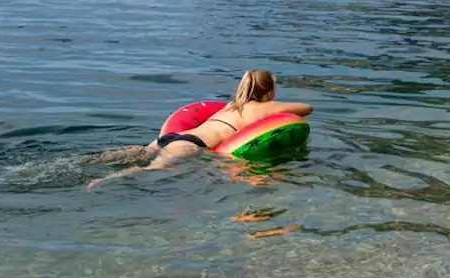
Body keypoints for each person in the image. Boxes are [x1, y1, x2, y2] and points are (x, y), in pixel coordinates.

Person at [86, 70, 312, 190]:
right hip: (190, 145)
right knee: (150, 170)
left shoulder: (230, 105)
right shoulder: (266, 106)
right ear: (269, 91)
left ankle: (86, 162)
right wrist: (274, 104)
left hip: (171, 137)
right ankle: (104, 180)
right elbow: (306, 107)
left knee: (132, 154)